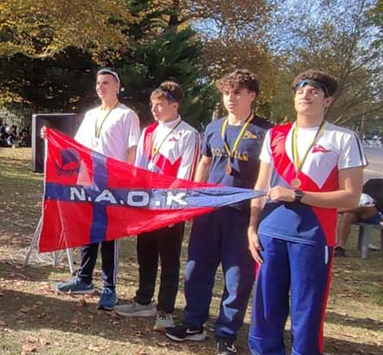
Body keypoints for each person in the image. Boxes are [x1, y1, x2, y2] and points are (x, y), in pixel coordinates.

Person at [247, 70, 365, 355]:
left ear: (327, 100)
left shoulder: (343, 138)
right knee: (265, 306)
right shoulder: (275, 135)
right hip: (271, 232)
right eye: (300, 89)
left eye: (314, 90)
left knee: (306, 310)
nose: (305, 94)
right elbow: (261, 186)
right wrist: (252, 227)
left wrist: (298, 195)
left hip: (313, 235)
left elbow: (352, 196)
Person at [165, 70, 272, 355]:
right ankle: (193, 323)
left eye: (237, 93)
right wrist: (195, 196)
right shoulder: (214, 127)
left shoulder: (266, 132)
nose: (231, 98)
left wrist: (255, 220)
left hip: (240, 214)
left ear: (252, 96)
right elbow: (204, 163)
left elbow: (266, 176)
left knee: (237, 277)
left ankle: (227, 333)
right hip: (209, 209)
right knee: (196, 269)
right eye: (227, 93)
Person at [48, 68, 141, 311]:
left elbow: (132, 150)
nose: (101, 87)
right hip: (87, 180)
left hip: (113, 180)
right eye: (99, 83)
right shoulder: (90, 115)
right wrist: (50, 138)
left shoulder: (127, 115)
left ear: (118, 86)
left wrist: (128, 180)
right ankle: (83, 278)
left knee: (109, 234)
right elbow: (75, 147)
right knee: (87, 229)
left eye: (107, 83)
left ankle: (109, 286)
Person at [115, 81, 199, 332]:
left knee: (169, 259)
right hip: (146, 203)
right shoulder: (148, 131)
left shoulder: (189, 134)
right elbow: (139, 168)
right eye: (153, 104)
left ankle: (165, 310)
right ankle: (143, 300)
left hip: (169, 206)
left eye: (160, 104)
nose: (155, 109)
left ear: (175, 105)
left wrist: (173, 206)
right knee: (146, 254)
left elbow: (185, 174)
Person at [335, 190, 383, 257]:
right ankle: (340, 248)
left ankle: (335, 210)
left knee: (368, 207)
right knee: (347, 215)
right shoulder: (372, 182)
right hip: (359, 211)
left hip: (377, 213)